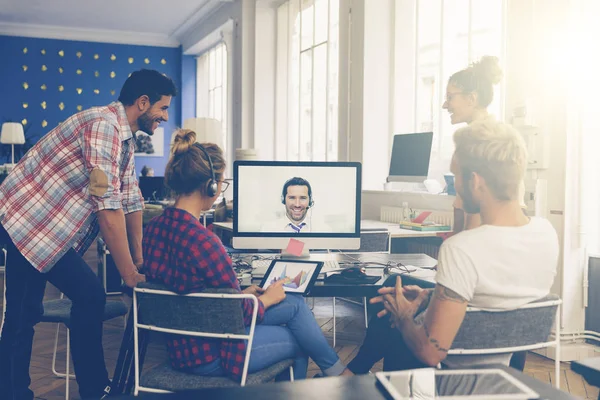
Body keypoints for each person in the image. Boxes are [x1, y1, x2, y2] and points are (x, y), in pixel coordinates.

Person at [0, 69, 177, 400]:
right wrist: (128, 275)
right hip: (26, 221)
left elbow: (130, 199)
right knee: (46, 308)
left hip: (44, 230)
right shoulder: (104, 127)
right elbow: (107, 208)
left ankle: (33, 390)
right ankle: (89, 390)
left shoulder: (124, 140)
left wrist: (139, 260)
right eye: (163, 108)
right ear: (143, 103)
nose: (165, 117)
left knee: (29, 311)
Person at [346, 119, 559, 373]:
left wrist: (404, 317)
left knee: (394, 318)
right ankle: (352, 377)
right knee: (396, 298)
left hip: (454, 376)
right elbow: (496, 297)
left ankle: (352, 378)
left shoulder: (461, 248)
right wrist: (431, 299)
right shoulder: (546, 231)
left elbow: (429, 352)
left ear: (476, 181)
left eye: (456, 175)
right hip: (505, 372)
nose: (454, 185)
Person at [142, 129, 352, 381]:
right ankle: (337, 379)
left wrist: (242, 294)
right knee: (299, 337)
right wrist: (265, 299)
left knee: (295, 305)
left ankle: (338, 374)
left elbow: (193, 296)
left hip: (181, 346)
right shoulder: (206, 243)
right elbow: (237, 315)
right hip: (213, 353)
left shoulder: (153, 229)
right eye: (221, 183)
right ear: (210, 185)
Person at [442, 56, 526, 232]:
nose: (445, 105)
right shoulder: (495, 136)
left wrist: (458, 247)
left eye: (450, 97)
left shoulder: (481, 143)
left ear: (471, 98)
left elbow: (476, 206)